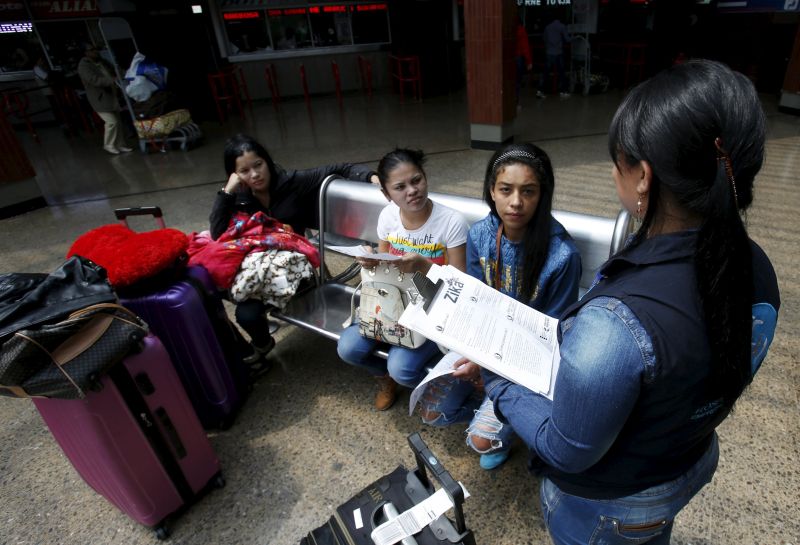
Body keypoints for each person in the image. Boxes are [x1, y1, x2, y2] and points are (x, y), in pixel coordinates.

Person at [486, 59, 780, 544]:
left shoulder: (616, 327)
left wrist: (498, 379)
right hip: (687, 458)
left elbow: (568, 448)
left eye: (616, 160)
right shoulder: (757, 266)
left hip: (614, 501)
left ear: (642, 175)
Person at [416, 142, 581, 470]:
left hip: (526, 361)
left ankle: (508, 426)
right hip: (484, 344)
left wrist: (488, 368)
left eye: (529, 191)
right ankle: (494, 410)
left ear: (542, 195)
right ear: (492, 191)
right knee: (430, 413)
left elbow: (552, 336)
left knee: (482, 442)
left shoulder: (562, 255)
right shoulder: (480, 235)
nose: (516, 202)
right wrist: (475, 356)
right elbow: (473, 303)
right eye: (506, 189)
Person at [211, 134, 380, 373]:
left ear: (267, 161)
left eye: (258, 165)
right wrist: (227, 192)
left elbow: (342, 167)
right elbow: (218, 234)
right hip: (260, 270)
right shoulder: (239, 198)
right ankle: (263, 343)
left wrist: (371, 176)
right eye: (245, 171)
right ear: (235, 174)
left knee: (245, 307)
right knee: (244, 313)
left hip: (297, 269)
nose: (255, 175)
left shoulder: (292, 182)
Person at [337, 148, 469, 411]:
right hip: (391, 304)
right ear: (387, 194)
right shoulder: (388, 215)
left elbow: (460, 284)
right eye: (400, 187)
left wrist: (423, 265)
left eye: (416, 180)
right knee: (348, 348)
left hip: (431, 309)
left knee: (402, 368)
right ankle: (384, 379)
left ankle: (447, 391)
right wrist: (371, 258)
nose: (412, 190)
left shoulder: (451, 222)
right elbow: (383, 260)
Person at [77, 43, 133, 155]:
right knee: (112, 122)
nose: (95, 51)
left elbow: (115, 70)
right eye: (92, 50)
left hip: (111, 96)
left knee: (118, 121)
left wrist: (126, 74)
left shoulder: (101, 61)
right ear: (85, 53)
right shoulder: (84, 66)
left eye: (96, 49)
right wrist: (112, 80)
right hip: (99, 98)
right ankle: (108, 144)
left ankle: (120, 145)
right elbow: (94, 80)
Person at [536, 15, 571, 99]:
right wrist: (575, 38)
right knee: (561, 72)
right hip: (558, 52)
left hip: (549, 52)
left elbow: (544, 38)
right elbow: (567, 39)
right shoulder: (562, 26)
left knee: (545, 73)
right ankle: (563, 91)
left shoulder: (547, 27)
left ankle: (540, 91)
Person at [515, 20, 533, 111]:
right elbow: (525, 47)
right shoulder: (521, 30)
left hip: (507, 59)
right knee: (517, 82)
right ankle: (515, 103)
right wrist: (528, 61)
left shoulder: (506, 29)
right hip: (518, 58)